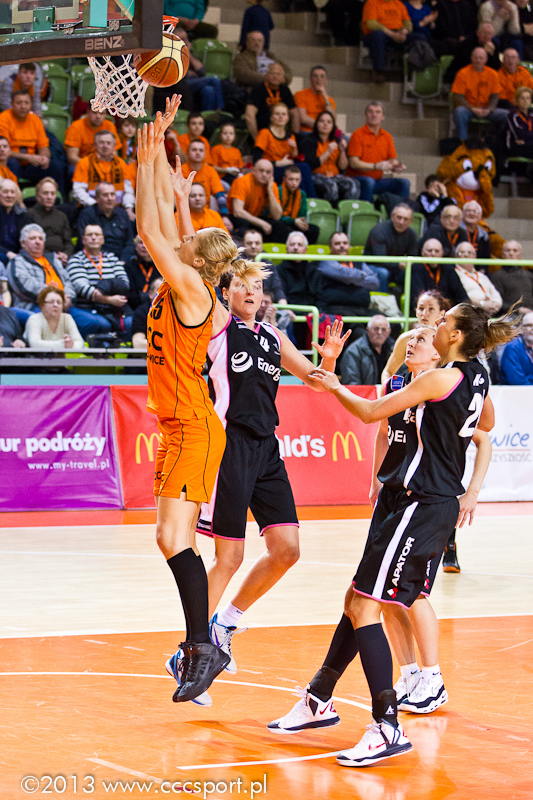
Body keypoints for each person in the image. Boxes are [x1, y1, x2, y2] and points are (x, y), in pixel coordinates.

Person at [269, 302, 518, 767]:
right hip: (415, 501)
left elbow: (369, 413)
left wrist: (334, 384)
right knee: (357, 598)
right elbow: (482, 424)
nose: (434, 326)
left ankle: (387, 725)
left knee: (372, 604)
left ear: (456, 337)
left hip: (424, 504)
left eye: (443, 323)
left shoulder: (440, 379)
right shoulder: (476, 378)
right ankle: (319, 697)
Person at [136, 97, 263, 703]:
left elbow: (148, 230)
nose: (180, 240)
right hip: (178, 425)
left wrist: (146, 154)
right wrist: (156, 152)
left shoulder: (193, 291)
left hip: (193, 426)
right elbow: (161, 221)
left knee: (175, 539)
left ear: (198, 261)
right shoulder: (186, 277)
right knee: (169, 540)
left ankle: (200, 646)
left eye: (189, 240)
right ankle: (199, 645)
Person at [198, 277, 350, 690]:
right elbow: (196, 281)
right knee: (228, 558)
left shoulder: (273, 336)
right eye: (242, 285)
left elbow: (316, 381)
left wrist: (328, 360)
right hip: (229, 446)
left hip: (266, 448)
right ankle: (193, 647)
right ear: (225, 293)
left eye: (258, 286)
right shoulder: (219, 325)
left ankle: (224, 623)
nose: (252, 293)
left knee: (287, 549)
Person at [373, 327, 492, 712]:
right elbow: (381, 431)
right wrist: (375, 480)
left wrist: (472, 492)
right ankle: (410, 676)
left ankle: (432, 677)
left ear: (439, 354)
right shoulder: (396, 384)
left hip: (426, 500)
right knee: (383, 593)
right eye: (409, 339)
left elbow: (485, 435)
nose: (412, 343)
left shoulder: (447, 391)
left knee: (413, 593)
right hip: (393, 495)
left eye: (421, 340)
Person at [66, 224, 132, 337]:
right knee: (102, 324)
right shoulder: (76, 260)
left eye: (97, 234)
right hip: (87, 307)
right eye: (89, 235)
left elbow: (124, 283)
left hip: (114, 308)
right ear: (83, 240)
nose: (93, 237)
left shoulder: (112, 258)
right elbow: (83, 288)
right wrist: (109, 299)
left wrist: (105, 291)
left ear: (102, 239)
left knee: (131, 322)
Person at [0, 90, 64, 193]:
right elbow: (3, 150)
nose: (23, 106)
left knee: (56, 166)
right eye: (19, 103)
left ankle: (56, 198)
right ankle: (12, 197)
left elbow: (44, 147)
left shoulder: (36, 120)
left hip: (31, 164)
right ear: (12, 104)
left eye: (26, 103)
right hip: (11, 161)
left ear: (31, 105)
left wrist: (44, 158)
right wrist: (28, 157)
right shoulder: (3, 119)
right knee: (12, 163)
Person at [346, 103, 410, 203]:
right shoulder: (357, 134)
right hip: (357, 180)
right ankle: (367, 210)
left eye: (377, 112)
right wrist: (375, 166)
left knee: (404, 183)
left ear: (382, 116)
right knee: (369, 181)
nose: (374, 115)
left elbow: (392, 160)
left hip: (377, 181)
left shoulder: (387, 136)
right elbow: (353, 163)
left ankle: (401, 211)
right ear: (366, 115)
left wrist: (396, 166)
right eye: (370, 112)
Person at [382, 289, 449, 381]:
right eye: (421, 308)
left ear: (442, 313)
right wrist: (387, 388)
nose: (424, 313)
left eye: (431, 309)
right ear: (416, 312)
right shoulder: (406, 339)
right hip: (415, 387)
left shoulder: (449, 340)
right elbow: (388, 371)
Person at [7, 223, 75, 312]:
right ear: (23, 243)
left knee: (91, 320)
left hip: (63, 305)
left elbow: (68, 282)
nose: (37, 242)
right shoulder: (17, 262)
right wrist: (53, 296)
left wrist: (68, 297)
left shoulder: (54, 260)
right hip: (34, 306)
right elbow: (24, 288)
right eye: (32, 238)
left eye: (40, 239)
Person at [253, 102, 315, 197]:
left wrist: (294, 149)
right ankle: (309, 199)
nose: (280, 117)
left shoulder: (290, 136)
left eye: (283, 114)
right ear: (271, 117)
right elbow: (256, 161)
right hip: (269, 170)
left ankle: (309, 199)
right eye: (277, 114)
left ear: (288, 118)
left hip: (287, 169)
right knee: (299, 170)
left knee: (303, 167)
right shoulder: (265, 133)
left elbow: (294, 160)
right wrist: (279, 163)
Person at [300, 110, 359, 206]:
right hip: (316, 175)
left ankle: (345, 210)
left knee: (354, 184)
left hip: (333, 175)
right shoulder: (308, 140)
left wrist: (342, 151)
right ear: (317, 124)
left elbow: (343, 166)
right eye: (322, 121)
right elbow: (311, 164)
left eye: (329, 122)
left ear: (333, 126)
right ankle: (330, 211)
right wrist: (328, 152)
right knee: (331, 186)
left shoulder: (336, 141)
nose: (325, 124)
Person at [72, 130, 135, 218]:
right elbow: (78, 191)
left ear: (114, 146)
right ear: (95, 145)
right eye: (101, 143)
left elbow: (128, 191)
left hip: (118, 209)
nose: (105, 146)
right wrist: (97, 206)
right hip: (91, 208)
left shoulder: (122, 164)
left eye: (108, 143)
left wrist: (128, 208)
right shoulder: (84, 163)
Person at [315, 230, 379, 315]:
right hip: (336, 308)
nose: (342, 246)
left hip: (360, 307)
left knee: (386, 320)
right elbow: (345, 275)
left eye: (345, 243)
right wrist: (363, 275)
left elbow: (375, 283)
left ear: (349, 245)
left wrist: (353, 277)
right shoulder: (326, 262)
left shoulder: (358, 261)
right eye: (337, 243)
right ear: (330, 247)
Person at [451, 48, 507, 141]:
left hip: (486, 109)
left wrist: (490, 109)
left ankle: (498, 143)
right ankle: (462, 143)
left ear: (486, 60)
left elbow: (495, 96)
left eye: (481, 58)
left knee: (506, 115)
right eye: (476, 58)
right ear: (471, 58)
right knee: (459, 112)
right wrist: (472, 108)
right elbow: (458, 97)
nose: (478, 60)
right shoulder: (462, 73)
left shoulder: (493, 74)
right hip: (469, 109)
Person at [227, 159, 289, 241]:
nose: (264, 175)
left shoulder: (272, 186)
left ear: (272, 175)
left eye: (268, 172)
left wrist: (270, 191)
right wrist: (262, 223)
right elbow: (238, 212)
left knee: (281, 227)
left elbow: (277, 216)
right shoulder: (242, 182)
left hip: (255, 218)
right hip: (236, 218)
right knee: (244, 224)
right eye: (261, 171)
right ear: (253, 171)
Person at [364, 202, 418, 289]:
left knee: (416, 272)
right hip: (373, 266)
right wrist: (398, 264)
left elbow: (413, 256)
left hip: (396, 268)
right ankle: (381, 298)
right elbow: (380, 259)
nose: (401, 222)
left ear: (411, 221)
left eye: (406, 219)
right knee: (383, 273)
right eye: (399, 218)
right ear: (392, 216)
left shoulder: (412, 234)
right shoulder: (379, 231)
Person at [77, 182, 135, 262]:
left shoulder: (123, 214)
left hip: (122, 260)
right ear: (96, 198)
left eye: (112, 194)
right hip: (96, 259)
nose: (110, 198)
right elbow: (84, 241)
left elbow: (129, 243)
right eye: (105, 195)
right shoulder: (87, 215)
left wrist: (123, 261)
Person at [182, 139, 231, 228]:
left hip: (206, 212)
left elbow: (220, 196)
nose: (198, 153)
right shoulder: (180, 171)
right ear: (187, 153)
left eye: (201, 150)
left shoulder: (210, 171)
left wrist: (225, 217)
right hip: (184, 212)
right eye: (194, 150)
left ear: (205, 154)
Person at [362, 0, 413, 83]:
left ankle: (412, 70)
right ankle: (378, 71)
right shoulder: (372, 3)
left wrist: (403, 32)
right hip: (378, 33)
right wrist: (392, 34)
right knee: (378, 35)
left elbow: (408, 24)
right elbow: (371, 23)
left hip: (397, 32)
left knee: (418, 37)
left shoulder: (398, 3)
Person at [245, 62, 299, 142]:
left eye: (278, 74)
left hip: (282, 132)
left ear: (283, 77)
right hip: (263, 131)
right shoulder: (258, 90)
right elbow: (249, 115)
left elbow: (294, 113)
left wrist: (295, 137)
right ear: (266, 75)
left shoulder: (285, 90)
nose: (275, 76)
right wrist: (257, 139)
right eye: (272, 73)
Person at [411, 238, 469, 308]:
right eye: (429, 251)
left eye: (437, 251)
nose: (433, 254)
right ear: (422, 252)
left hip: (447, 311)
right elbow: (417, 298)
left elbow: (462, 296)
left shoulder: (448, 268)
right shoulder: (416, 268)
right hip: (426, 310)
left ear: (442, 253)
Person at [28, 178, 73, 267]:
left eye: (52, 193)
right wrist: (51, 256)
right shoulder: (29, 214)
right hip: (39, 259)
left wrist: (66, 254)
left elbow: (68, 242)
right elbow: (29, 244)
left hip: (63, 259)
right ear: (37, 196)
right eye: (45, 193)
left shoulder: (62, 216)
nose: (49, 197)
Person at [24, 285, 84, 350]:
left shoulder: (67, 318)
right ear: (42, 304)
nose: (55, 305)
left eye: (59, 302)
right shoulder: (34, 319)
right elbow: (34, 344)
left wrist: (71, 346)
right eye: (51, 302)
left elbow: (79, 342)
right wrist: (63, 345)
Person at [341, 315, 394, 384]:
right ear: (368, 330)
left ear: (389, 332)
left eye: (384, 329)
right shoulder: (353, 352)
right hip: (362, 391)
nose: (379, 332)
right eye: (376, 329)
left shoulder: (394, 349)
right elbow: (352, 383)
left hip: (389, 390)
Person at [454, 241, 502, 313]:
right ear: (456, 256)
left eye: (470, 253)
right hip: (471, 312)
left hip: (491, 312)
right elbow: (463, 297)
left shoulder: (481, 275)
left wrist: (495, 304)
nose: (466, 255)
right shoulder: (454, 275)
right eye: (462, 252)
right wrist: (482, 304)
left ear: (475, 256)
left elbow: (495, 293)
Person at [241, 227, 286, 303]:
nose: (253, 246)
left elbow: (277, 289)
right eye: (249, 243)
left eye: (257, 243)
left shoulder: (269, 266)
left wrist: (284, 307)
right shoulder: (235, 264)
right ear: (243, 245)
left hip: (264, 305)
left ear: (262, 245)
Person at [277, 165, 319, 243]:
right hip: (282, 222)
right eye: (291, 179)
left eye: (297, 180)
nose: (294, 183)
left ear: (300, 180)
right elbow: (276, 216)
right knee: (284, 228)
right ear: (284, 179)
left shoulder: (302, 194)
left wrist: (302, 222)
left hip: (295, 221)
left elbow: (302, 214)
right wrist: (293, 221)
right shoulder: (278, 191)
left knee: (314, 229)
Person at [277, 230, 318, 307]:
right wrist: (286, 310)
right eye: (292, 244)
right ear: (286, 249)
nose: (296, 248)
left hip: (311, 311)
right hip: (287, 310)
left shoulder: (313, 270)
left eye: (300, 245)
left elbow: (319, 296)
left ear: (305, 250)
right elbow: (279, 294)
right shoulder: (279, 270)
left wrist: (315, 311)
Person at [490, 239, 533, 311]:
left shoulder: (529, 275)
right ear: (503, 255)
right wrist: (517, 310)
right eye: (508, 250)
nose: (511, 253)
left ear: (520, 255)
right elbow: (498, 302)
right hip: (511, 315)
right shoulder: (497, 276)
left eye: (515, 250)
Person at [294, 66, 337, 134]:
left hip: (325, 133)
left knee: (346, 139)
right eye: (315, 76)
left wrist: (326, 98)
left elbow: (332, 120)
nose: (318, 79)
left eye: (322, 76)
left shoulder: (329, 99)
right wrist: (322, 126)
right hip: (307, 131)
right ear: (310, 79)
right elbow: (303, 118)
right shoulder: (300, 95)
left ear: (326, 80)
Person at [125, 235, 162, 310]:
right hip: (134, 308)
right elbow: (131, 296)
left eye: (147, 242)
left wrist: (142, 296)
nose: (144, 246)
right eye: (140, 242)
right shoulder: (128, 266)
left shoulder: (161, 266)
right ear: (135, 246)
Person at [0, 178, 32, 264]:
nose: (9, 195)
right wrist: (8, 253)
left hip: (18, 258)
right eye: (5, 192)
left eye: (12, 192)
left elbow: (28, 241)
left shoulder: (23, 215)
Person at [500, 310, 533, 383]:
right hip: (517, 389)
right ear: (522, 328)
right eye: (529, 325)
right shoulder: (512, 348)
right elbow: (516, 380)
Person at [131, 276, 164, 349]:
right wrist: (167, 346)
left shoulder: (179, 311)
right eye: (160, 289)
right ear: (150, 294)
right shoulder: (142, 312)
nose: (164, 293)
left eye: (167, 290)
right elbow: (137, 343)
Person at [505, 86, 533, 158]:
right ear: (517, 100)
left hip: (528, 143)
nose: (525, 101)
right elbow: (519, 135)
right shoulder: (512, 115)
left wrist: (526, 140)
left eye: (528, 98)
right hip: (515, 146)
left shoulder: (531, 115)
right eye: (522, 98)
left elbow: (525, 135)